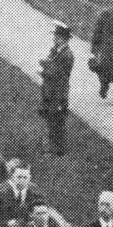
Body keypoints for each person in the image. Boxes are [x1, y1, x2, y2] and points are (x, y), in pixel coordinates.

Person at [39, 24, 74, 157]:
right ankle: (54, 146)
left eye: (56, 36)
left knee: (57, 120)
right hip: (50, 90)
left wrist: (43, 71)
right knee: (50, 117)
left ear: (63, 39)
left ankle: (57, 149)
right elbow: (49, 62)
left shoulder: (67, 55)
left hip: (58, 93)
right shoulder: (56, 50)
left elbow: (57, 74)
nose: (54, 38)